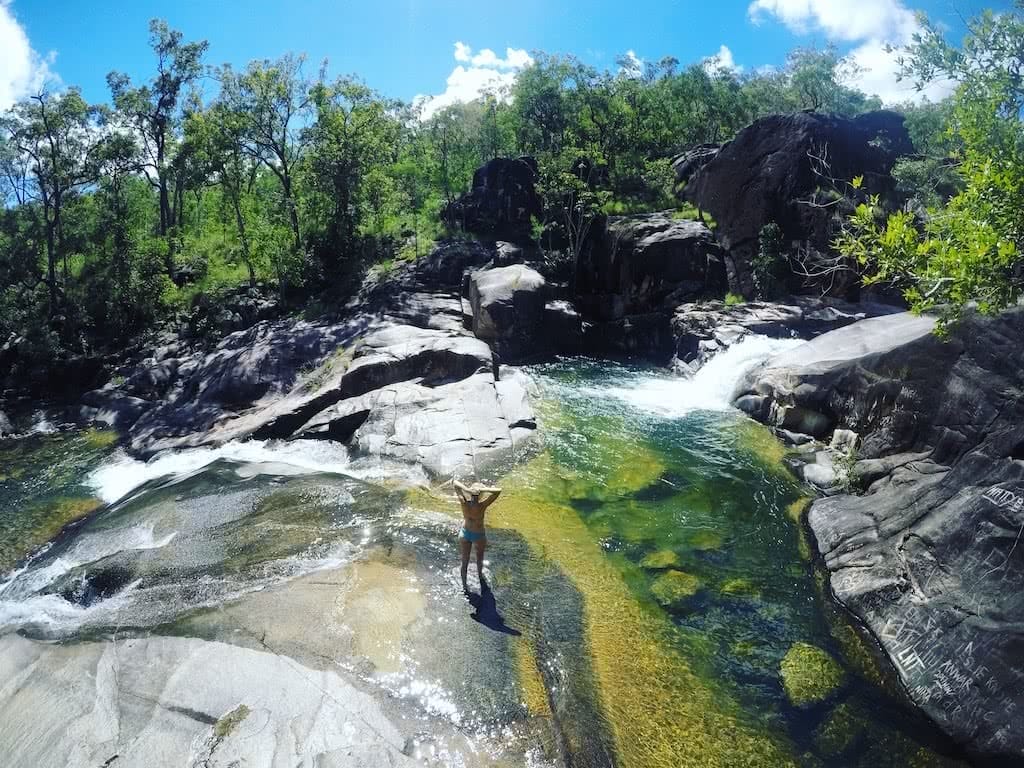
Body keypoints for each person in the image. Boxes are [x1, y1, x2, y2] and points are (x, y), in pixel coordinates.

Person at [453, 480, 501, 592]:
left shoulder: (463, 502)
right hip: (478, 534)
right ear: (481, 495)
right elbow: (498, 491)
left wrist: (467, 489)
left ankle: (464, 586)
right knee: (479, 558)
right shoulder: (483, 505)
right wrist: (483, 489)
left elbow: (455, 483)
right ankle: (480, 576)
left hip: (465, 533)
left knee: (465, 560)